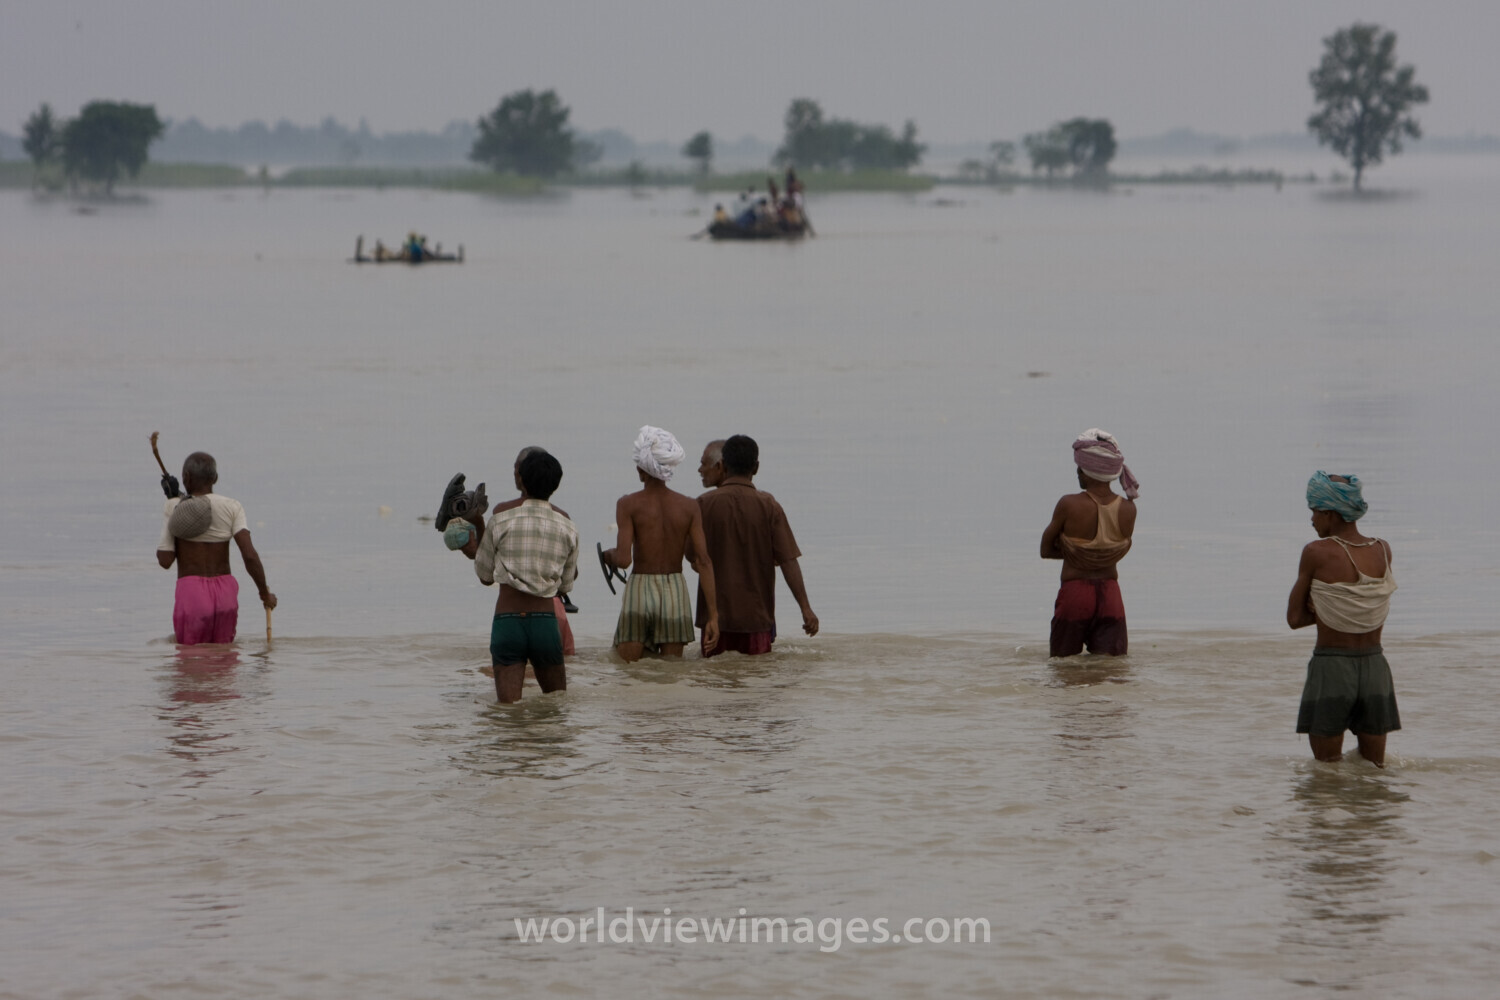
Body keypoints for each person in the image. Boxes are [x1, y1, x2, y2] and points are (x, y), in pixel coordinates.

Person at [1286, 472, 1400, 766]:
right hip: (1376, 668)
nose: (1312, 520)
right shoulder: (1383, 550)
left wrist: (1320, 610)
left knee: (1326, 774)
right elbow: (1366, 609)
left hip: (1332, 667)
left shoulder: (1316, 552)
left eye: (1314, 511)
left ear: (1329, 513)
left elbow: (1295, 618)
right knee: (1376, 770)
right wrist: (1332, 606)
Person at [601, 426, 720, 662]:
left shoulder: (628, 504)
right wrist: (713, 616)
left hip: (640, 589)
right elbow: (704, 561)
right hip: (674, 588)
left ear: (640, 468)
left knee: (629, 671)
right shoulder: (689, 506)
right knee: (671, 673)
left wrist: (608, 557)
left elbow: (624, 559)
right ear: (668, 469)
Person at [695, 434, 818, 657]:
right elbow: (788, 561)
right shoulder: (769, 506)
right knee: (756, 684)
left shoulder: (703, 505)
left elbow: (694, 559)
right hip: (756, 620)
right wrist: (805, 609)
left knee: (713, 684)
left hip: (714, 621)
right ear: (756, 467)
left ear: (723, 466)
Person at [471, 450, 579, 703]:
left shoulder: (500, 518)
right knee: (555, 708)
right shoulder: (567, 525)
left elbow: (485, 576)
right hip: (544, 623)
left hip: (508, 622)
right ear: (555, 484)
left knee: (508, 713)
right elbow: (565, 585)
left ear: (522, 480)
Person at [156, 451, 276, 645]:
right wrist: (264, 593)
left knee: (190, 665)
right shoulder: (233, 506)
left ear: (185, 478)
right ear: (215, 478)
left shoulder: (174, 507)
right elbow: (250, 555)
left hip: (192, 593)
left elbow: (165, 560)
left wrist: (173, 505)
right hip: (225, 595)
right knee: (225, 664)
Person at [1039, 428, 1139, 657]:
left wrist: (1075, 553)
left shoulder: (1069, 504)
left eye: (1080, 468)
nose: (1077, 472)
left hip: (1075, 594)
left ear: (1090, 471)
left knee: (1064, 669)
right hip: (1111, 596)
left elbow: (1045, 550)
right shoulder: (1128, 509)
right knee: (1110, 672)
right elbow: (1111, 551)